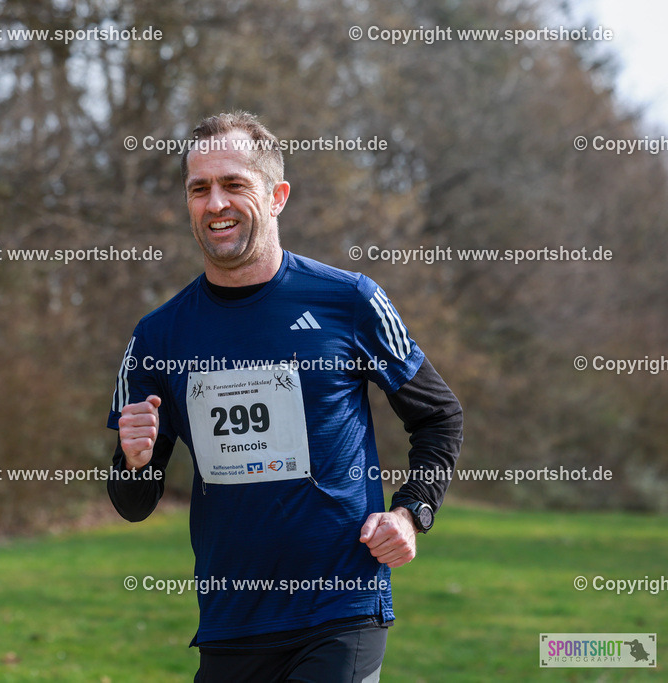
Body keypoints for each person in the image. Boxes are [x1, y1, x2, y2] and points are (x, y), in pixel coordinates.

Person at [106, 111, 462, 683]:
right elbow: (133, 503)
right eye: (199, 188)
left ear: (277, 197)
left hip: (339, 607)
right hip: (230, 620)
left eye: (234, 184)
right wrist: (134, 462)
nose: (215, 202)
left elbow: (439, 415)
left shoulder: (350, 302)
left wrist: (411, 511)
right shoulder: (157, 336)